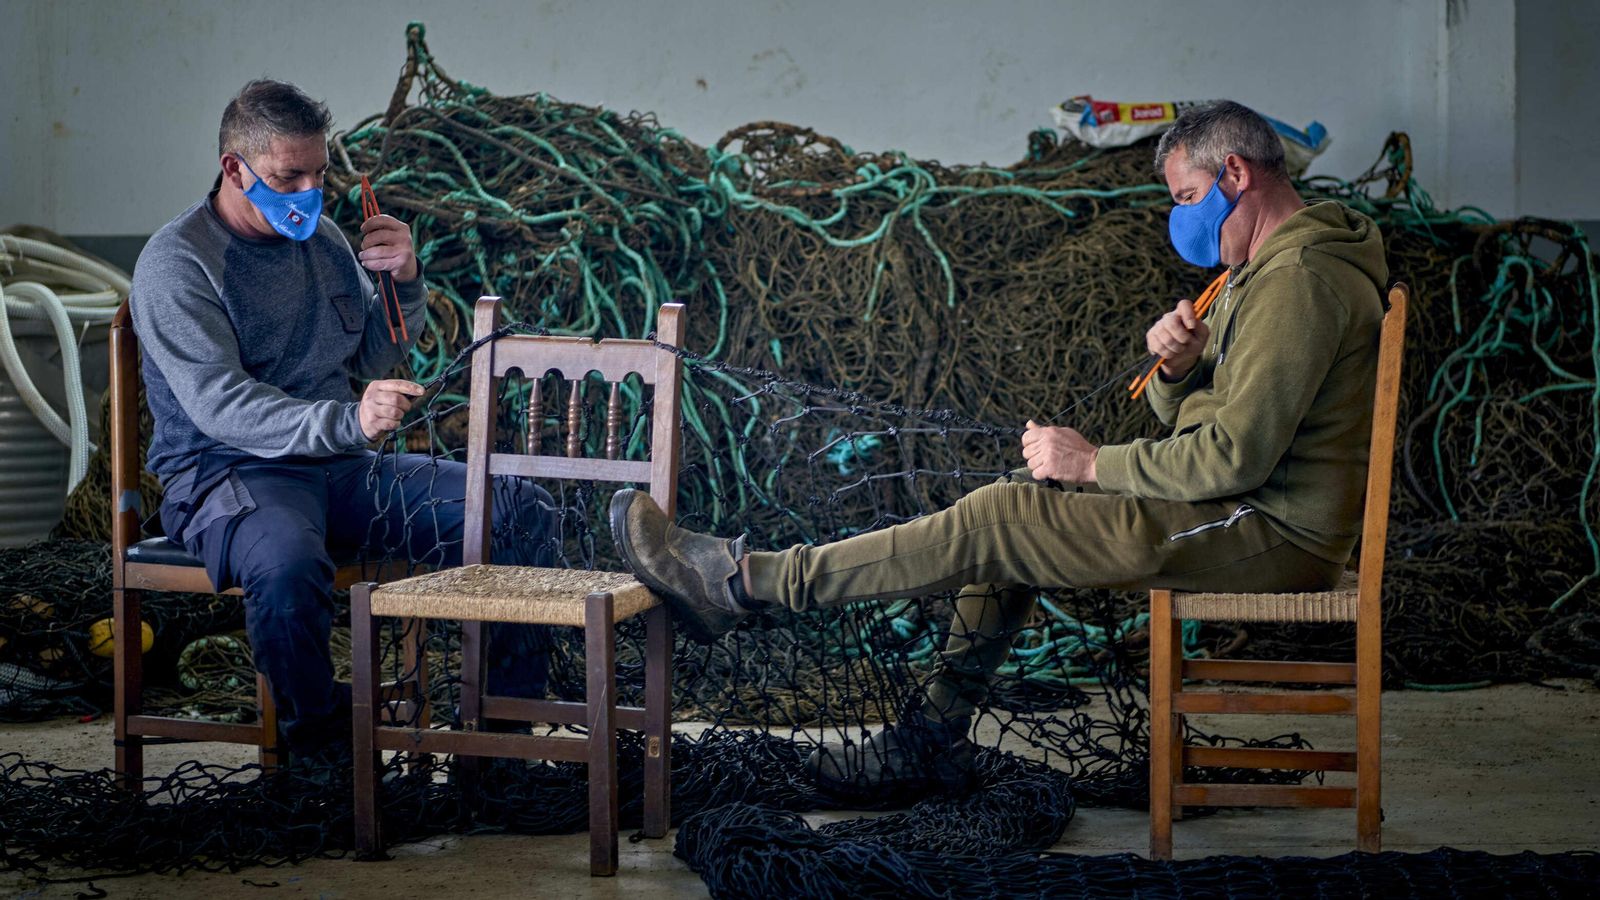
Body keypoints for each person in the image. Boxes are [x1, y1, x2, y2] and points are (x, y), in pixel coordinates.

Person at [610, 100, 1388, 797]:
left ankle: (739, 583)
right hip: (1236, 508)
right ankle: (930, 740)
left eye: (1187, 197)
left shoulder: (1299, 283)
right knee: (1024, 507)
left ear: (1236, 173)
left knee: (1000, 519)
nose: (1181, 218)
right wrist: (1178, 373)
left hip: (1267, 529)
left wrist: (1091, 463)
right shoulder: (1265, 270)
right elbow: (1209, 425)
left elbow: (1233, 460)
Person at [132, 79, 556, 766]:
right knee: (288, 564)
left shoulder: (323, 242)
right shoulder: (178, 264)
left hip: (337, 468)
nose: (306, 193)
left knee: (515, 508)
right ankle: (320, 754)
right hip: (224, 473)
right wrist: (349, 421)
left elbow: (377, 351)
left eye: (318, 173)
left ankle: (498, 741)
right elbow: (220, 405)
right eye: (286, 176)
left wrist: (404, 278)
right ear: (233, 168)